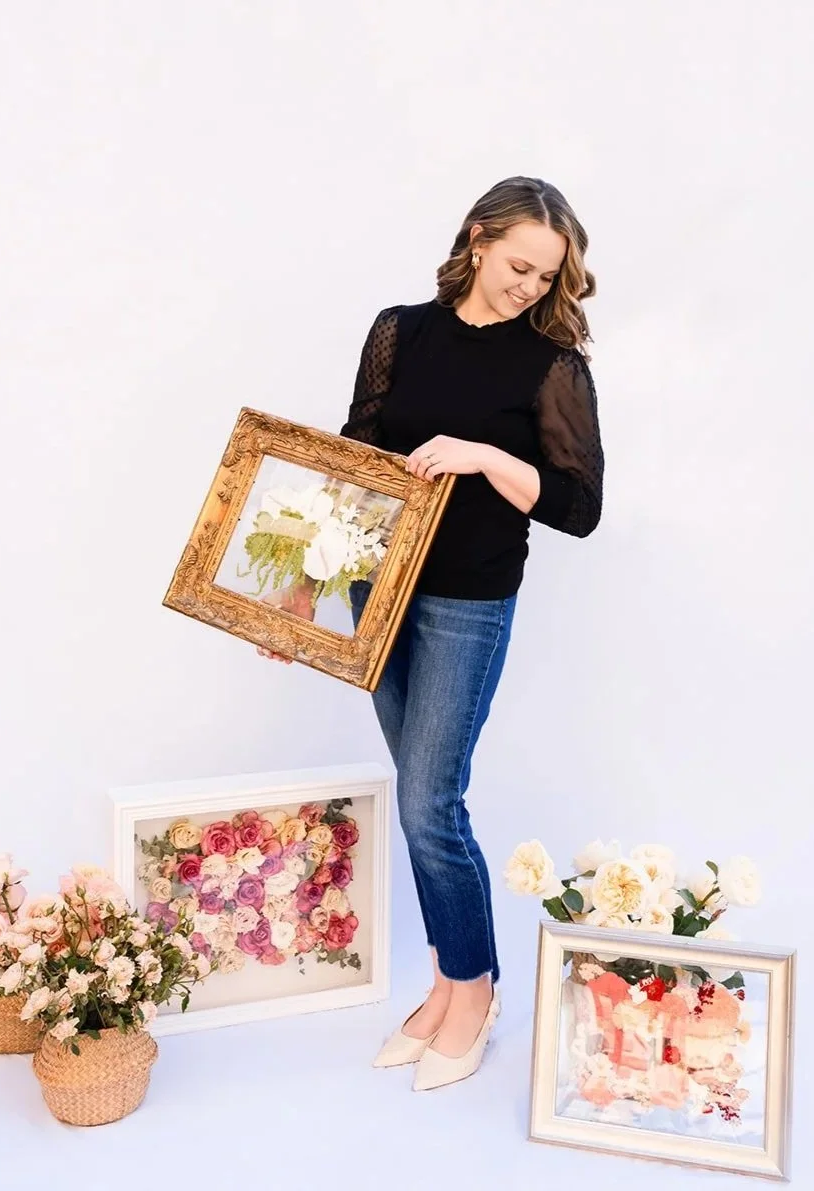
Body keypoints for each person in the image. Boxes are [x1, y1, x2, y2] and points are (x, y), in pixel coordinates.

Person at [258, 175, 604, 1090]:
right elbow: (352, 456)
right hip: (377, 588)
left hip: (466, 601)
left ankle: (472, 987)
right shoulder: (398, 331)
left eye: (546, 276)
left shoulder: (551, 363)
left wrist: (487, 453)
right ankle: (451, 981)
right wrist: (297, 593)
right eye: (518, 266)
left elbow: (578, 506)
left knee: (427, 802)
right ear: (478, 238)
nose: (530, 287)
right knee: (420, 798)